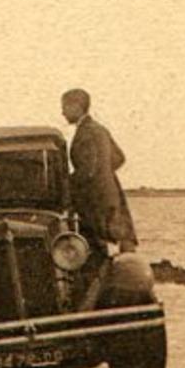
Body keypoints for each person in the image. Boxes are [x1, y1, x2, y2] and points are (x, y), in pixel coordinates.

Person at [61, 88, 140, 254]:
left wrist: (65, 184)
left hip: (94, 200)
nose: (62, 112)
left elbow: (87, 171)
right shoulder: (100, 129)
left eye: (65, 107)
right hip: (110, 196)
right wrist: (104, 174)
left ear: (76, 106)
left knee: (95, 247)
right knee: (109, 242)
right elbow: (119, 157)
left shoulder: (87, 132)